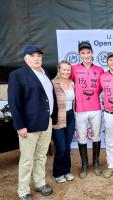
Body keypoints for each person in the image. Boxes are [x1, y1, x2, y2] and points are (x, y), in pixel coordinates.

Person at [8, 45, 58, 200]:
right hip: (28, 126)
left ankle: (40, 183)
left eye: (39, 56)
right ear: (26, 58)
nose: (37, 58)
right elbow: (14, 103)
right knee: (27, 159)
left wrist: (52, 119)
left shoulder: (45, 73)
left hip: (46, 123)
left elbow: (48, 97)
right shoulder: (17, 75)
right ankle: (23, 191)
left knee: (41, 156)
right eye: (33, 56)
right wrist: (20, 125)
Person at [71, 41, 104, 178]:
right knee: (82, 138)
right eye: (83, 53)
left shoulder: (99, 70)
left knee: (96, 136)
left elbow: (101, 88)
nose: (86, 55)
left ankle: (96, 163)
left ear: (92, 53)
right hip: (80, 109)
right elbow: (68, 83)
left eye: (88, 52)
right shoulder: (73, 69)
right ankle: (84, 165)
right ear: (79, 54)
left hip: (95, 108)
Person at [51, 61, 75, 183]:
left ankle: (66, 171)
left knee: (67, 147)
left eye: (68, 70)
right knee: (60, 148)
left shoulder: (72, 83)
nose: (66, 72)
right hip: (57, 118)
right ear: (59, 70)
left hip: (70, 117)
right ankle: (57, 173)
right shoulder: (52, 84)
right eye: (64, 70)